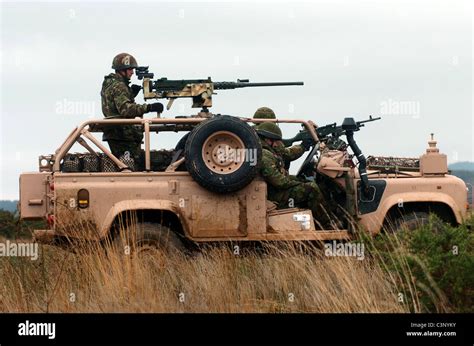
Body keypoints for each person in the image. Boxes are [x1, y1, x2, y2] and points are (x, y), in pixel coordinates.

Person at [256, 122, 338, 228]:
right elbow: (280, 182)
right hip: (275, 195)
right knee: (311, 189)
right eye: (276, 141)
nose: (278, 144)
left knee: (309, 183)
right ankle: (328, 226)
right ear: (268, 140)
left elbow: (286, 154)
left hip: (274, 191)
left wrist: (301, 180)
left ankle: (324, 219)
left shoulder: (267, 151)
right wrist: (299, 183)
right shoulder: (265, 154)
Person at [101, 52, 164, 161]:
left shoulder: (110, 83)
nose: (132, 72)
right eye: (130, 69)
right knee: (131, 164)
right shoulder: (119, 86)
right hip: (122, 135)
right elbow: (126, 110)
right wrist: (149, 107)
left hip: (117, 133)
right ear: (121, 70)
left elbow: (113, 105)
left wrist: (131, 94)